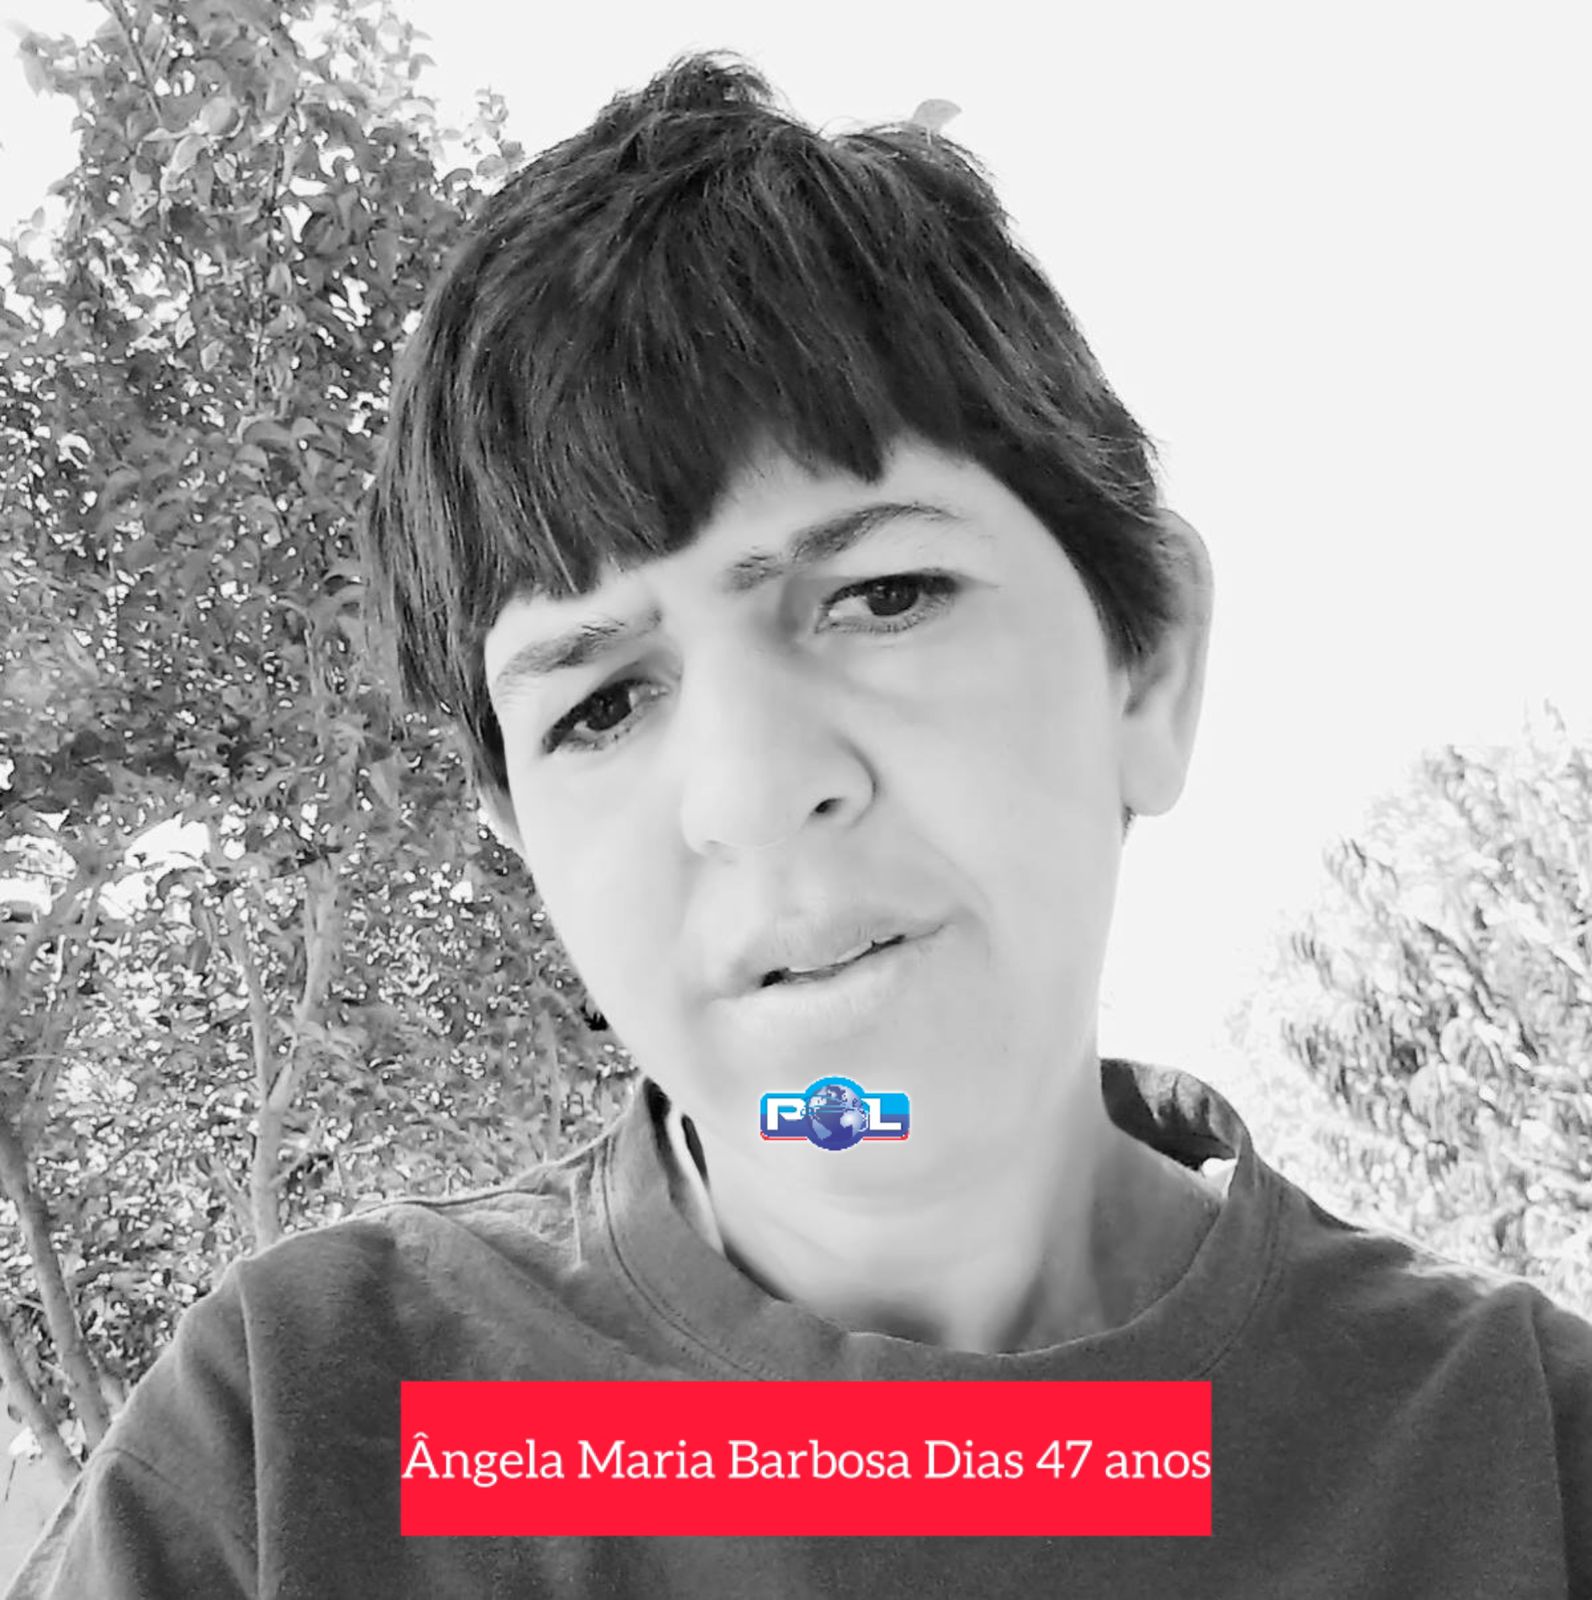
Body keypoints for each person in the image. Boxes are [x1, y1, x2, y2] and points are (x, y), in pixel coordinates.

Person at [8, 51, 1589, 1600]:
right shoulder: (293, 1453)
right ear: (525, 838)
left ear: (1148, 661)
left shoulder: (1529, 1456)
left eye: (884, 596)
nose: (753, 788)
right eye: (602, 705)